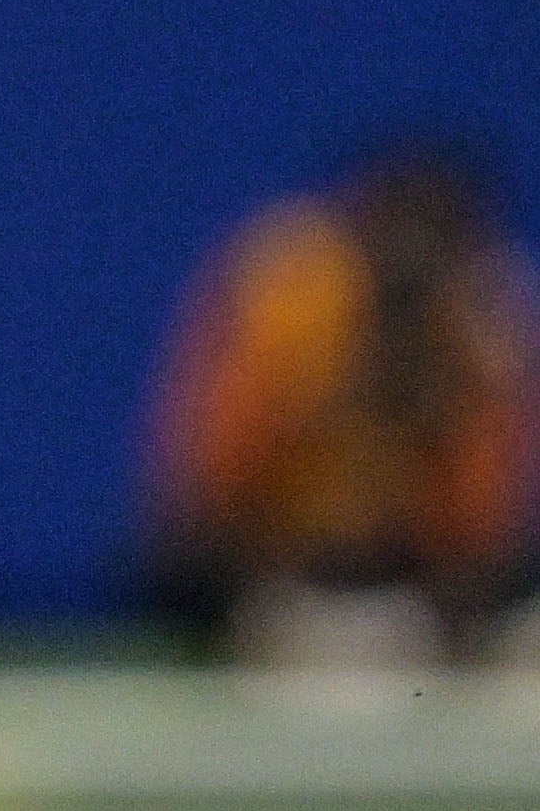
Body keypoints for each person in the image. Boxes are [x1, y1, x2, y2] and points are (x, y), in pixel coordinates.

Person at [141, 145, 539, 666]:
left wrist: (443, 416)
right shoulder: (295, 293)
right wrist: (331, 399)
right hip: (280, 570)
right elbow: (210, 490)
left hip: (410, 578)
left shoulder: (483, 323)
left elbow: (482, 532)